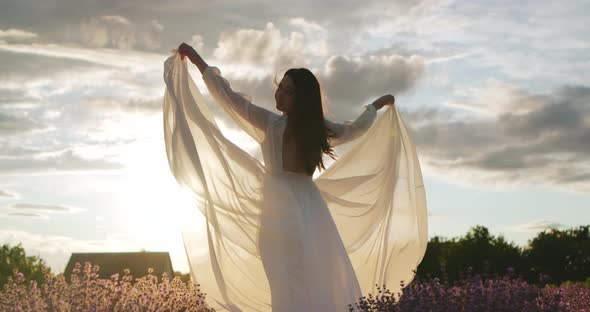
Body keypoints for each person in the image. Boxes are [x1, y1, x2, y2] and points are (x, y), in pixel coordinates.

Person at [163, 42, 428, 311]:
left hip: (295, 211)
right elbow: (230, 98)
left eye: (289, 91)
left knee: (298, 279)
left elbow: (355, 130)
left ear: (301, 98)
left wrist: (377, 105)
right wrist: (198, 61)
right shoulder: (284, 124)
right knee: (293, 280)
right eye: (281, 87)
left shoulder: (302, 128)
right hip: (300, 208)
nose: (281, 94)